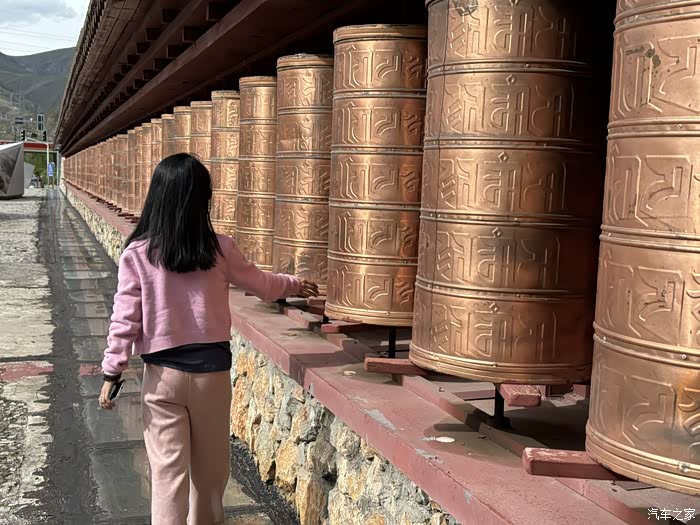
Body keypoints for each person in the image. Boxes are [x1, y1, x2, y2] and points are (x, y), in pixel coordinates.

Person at [98, 153, 318, 524]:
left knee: (168, 478)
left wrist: (111, 373)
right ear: (204, 200)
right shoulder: (220, 249)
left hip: (162, 379)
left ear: (156, 197)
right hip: (211, 378)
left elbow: (125, 319)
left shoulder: (137, 254)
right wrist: (294, 284)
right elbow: (263, 285)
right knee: (210, 478)